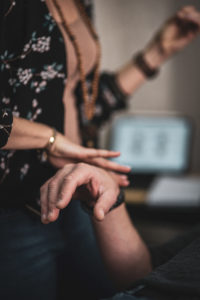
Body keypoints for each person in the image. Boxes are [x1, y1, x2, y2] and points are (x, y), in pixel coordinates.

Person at [0, 1, 200, 299]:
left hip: (79, 197)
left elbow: (81, 106)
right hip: (15, 208)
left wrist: (159, 51)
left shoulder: (82, 4)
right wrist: (49, 139)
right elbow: (51, 125)